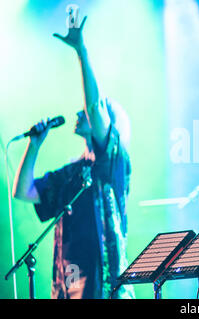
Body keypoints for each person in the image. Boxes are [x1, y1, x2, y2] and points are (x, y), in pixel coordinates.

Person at [13, 15, 134, 299]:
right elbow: (23, 191)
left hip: (104, 284)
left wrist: (81, 51)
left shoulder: (111, 162)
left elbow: (93, 105)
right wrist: (35, 145)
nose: (80, 112)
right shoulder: (70, 172)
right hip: (68, 282)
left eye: (91, 111)